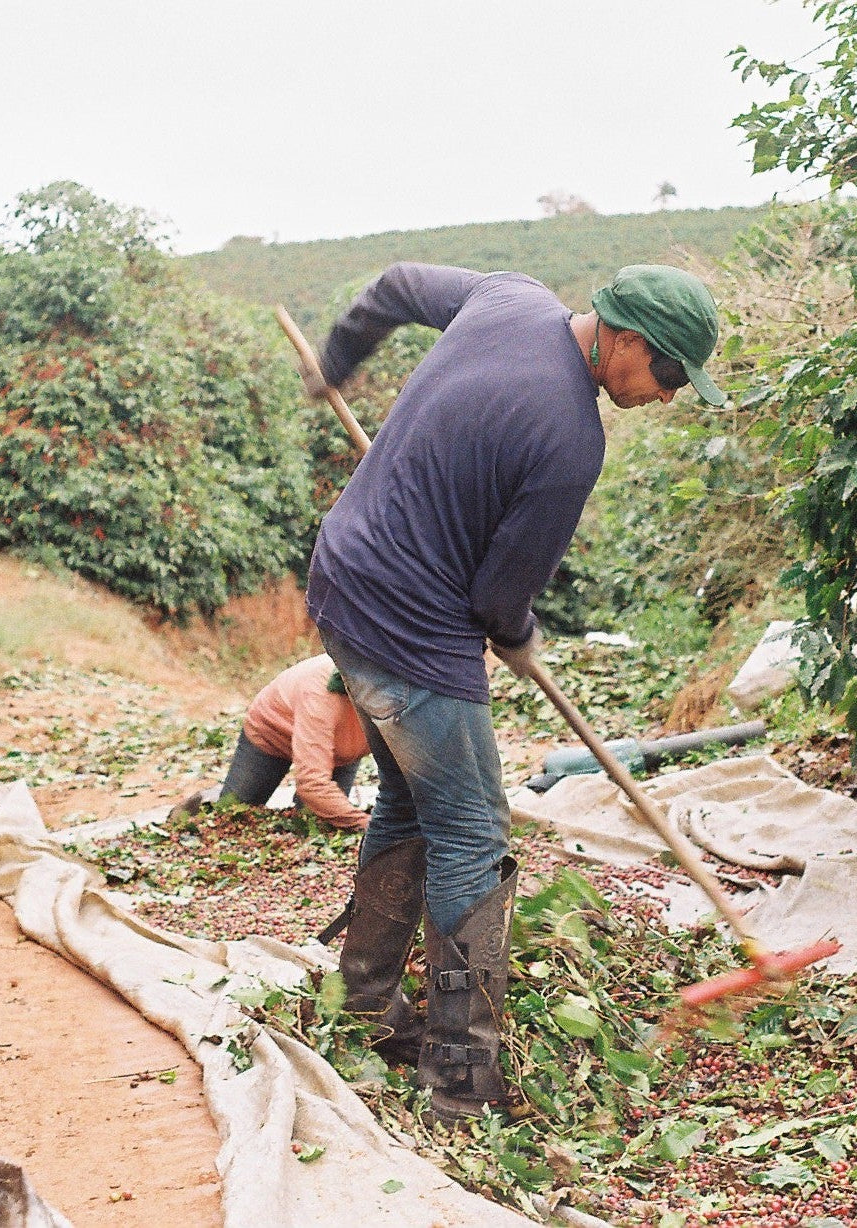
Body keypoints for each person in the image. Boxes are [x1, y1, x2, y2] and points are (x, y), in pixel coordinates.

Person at [303, 262, 724, 1125]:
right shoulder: (570, 442)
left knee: (414, 806)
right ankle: (460, 1081)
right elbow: (497, 604)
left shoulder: (508, 298)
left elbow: (391, 288)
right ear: (628, 342)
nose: (670, 395)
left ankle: (363, 1002)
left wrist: (338, 361)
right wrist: (520, 634)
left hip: (341, 584)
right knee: (470, 830)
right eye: (672, 373)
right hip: (407, 637)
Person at [173, 654, 371, 832]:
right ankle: (207, 800)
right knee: (231, 814)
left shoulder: (395, 695)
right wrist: (366, 824)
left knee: (319, 824)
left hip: (341, 748)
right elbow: (312, 783)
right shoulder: (320, 695)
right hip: (273, 732)